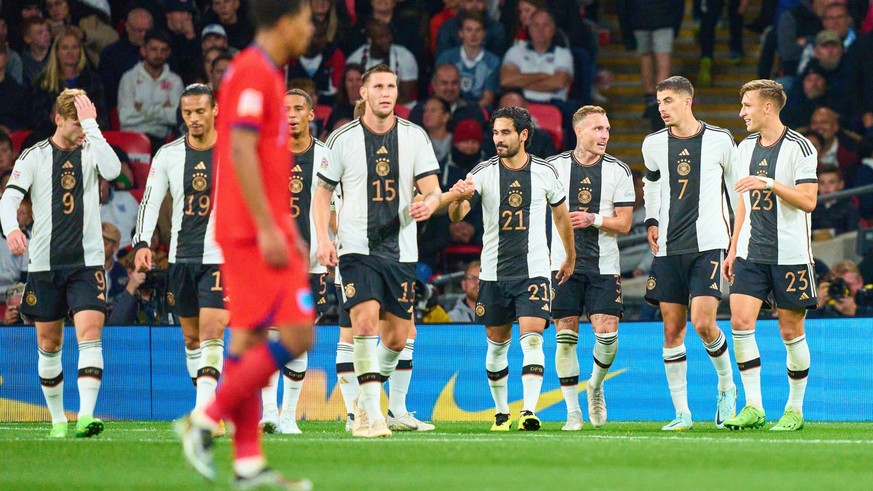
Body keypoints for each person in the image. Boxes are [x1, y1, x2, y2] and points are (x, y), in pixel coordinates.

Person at [174, 0, 315, 488]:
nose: (311, 28)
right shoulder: (253, 71)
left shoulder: (264, 73)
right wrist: (268, 225)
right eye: (307, 19)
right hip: (251, 231)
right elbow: (237, 148)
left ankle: (248, 463)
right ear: (286, 20)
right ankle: (203, 419)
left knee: (251, 340)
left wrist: (284, 222)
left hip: (257, 225)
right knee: (299, 336)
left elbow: (264, 158)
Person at [313, 64, 442, 437]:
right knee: (365, 324)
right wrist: (323, 238)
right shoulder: (342, 138)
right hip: (355, 247)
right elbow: (322, 195)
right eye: (379, 86)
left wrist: (430, 203)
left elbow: (432, 188)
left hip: (401, 251)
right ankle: (369, 415)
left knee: (399, 338)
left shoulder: (415, 137)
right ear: (363, 94)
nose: (386, 93)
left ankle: (364, 402)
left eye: (392, 86)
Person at [441, 105, 575, 431]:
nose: (498, 139)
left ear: (523, 135)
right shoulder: (483, 172)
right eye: (496, 133)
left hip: (533, 270)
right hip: (493, 272)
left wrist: (570, 256)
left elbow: (561, 216)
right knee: (497, 344)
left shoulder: (544, 172)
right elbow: (457, 216)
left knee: (532, 339)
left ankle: (529, 410)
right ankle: (501, 413)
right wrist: (458, 199)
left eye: (505, 133)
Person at [0, 89, 121, 438]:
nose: (80, 129)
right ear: (58, 120)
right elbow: (9, 199)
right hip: (44, 265)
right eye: (75, 122)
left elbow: (112, 171)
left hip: (87, 263)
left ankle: (85, 416)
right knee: (50, 344)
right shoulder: (35, 156)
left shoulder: (91, 147)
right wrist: (11, 230)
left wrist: (92, 126)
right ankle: (57, 420)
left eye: (84, 121)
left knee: (90, 334)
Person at [642, 76, 738, 431]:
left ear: (687, 101)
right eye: (659, 102)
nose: (662, 108)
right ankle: (682, 412)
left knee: (703, 322)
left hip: (709, 243)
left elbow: (736, 191)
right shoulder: (652, 144)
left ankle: (727, 388)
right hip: (668, 247)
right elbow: (650, 184)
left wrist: (735, 241)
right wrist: (652, 219)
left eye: (668, 101)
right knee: (672, 330)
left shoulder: (720, 139)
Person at [723, 79, 819, 431]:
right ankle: (754, 406)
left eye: (747, 105)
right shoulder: (743, 147)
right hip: (751, 253)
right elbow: (742, 205)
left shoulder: (801, 147)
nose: (741, 112)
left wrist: (771, 184)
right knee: (740, 323)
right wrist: (733, 248)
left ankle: (794, 409)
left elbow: (809, 201)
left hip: (790, 255)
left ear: (768, 107)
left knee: (790, 329)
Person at [132, 84, 227, 413]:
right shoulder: (169, 154)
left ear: (215, 110)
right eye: (188, 113)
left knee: (212, 331)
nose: (194, 119)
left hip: (220, 258)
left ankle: (205, 413)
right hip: (180, 258)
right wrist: (142, 242)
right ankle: (209, 403)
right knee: (191, 340)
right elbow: (150, 201)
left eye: (201, 111)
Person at [547, 106, 634, 431]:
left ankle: (595, 386)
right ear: (579, 132)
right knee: (565, 338)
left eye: (607, 129)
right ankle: (573, 413)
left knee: (608, 335)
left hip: (604, 265)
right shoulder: (553, 168)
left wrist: (593, 219)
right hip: (561, 266)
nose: (605, 135)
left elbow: (625, 224)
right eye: (597, 129)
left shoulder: (618, 170)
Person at [259, 89, 329, 435]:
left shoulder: (328, 159)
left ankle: (289, 415)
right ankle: (270, 413)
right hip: (271, 262)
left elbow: (337, 209)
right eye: (284, 109)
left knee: (298, 334)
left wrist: (334, 248)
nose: (291, 114)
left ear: (310, 115)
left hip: (313, 265)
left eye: (298, 108)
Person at [118, 29, 185, 151]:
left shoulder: (175, 81)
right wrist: (163, 110)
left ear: (169, 52)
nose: (159, 54)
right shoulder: (129, 78)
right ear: (143, 50)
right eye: (154, 49)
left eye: (163, 50)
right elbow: (125, 117)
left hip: (163, 142)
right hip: (133, 141)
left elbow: (178, 118)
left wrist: (142, 108)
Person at [811, 164, 858, 238]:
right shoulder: (810, 208)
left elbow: (853, 234)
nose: (826, 187)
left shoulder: (849, 207)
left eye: (831, 182)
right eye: (822, 183)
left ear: (841, 184)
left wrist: (832, 233)